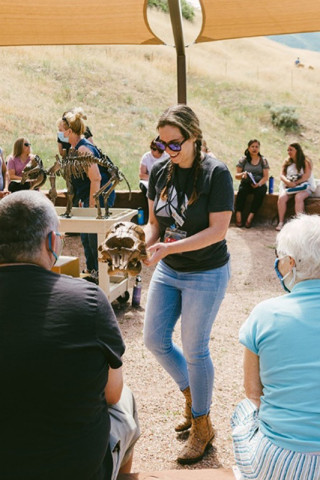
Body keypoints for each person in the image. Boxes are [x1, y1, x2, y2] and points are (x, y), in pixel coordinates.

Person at [0, 190, 140, 480]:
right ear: (53, 242)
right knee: (127, 401)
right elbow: (112, 394)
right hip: (77, 470)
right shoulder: (88, 298)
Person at [143, 105, 234, 465]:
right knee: (153, 340)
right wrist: (144, 242)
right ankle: (193, 400)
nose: (168, 151)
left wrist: (168, 248)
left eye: (175, 143)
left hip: (206, 271)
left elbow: (218, 231)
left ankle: (202, 425)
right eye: (161, 143)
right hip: (169, 267)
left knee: (195, 350)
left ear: (194, 137)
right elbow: (154, 222)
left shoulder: (217, 173)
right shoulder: (161, 171)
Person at [231, 214, 320, 480]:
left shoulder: (265, 314)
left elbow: (253, 392)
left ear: (291, 263)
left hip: (280, 462)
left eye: (280, 257)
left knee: (243, 412)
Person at [60, 108, 115, 278]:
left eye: (62, 130)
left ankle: (100, 274)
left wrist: (92, 205)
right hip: (87, 196)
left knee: (94, 239)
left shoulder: (84, 149)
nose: (61, 134)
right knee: (86, 236)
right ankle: (93, 271)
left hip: (98, 196)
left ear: (70, 131)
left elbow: (96, 178)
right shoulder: (76, 148)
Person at [276, 143, 315, 231]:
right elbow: (282, 175)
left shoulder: (305, 161)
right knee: (282, 198)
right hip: (290, 186)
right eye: (288, 150)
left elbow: (306, 176)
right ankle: (281, 222)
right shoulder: (287, 161)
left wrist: (296, 183)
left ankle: (300, 223)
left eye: (291, 150)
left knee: (298, 197)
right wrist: (288, 182)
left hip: (304, 186)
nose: (289, 152)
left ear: (297, 150)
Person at [234, 139, 269, 228]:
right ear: (248, 148)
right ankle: (238, 216)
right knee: (242, 191)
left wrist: (259, 184)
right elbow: (236, 175)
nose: (254, 149)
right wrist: (242, 175)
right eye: (252, 146)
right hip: (246, 182)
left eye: (256, 147)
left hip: (258, 183)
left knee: (261, 191)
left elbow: (265, 177)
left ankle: (251, 217)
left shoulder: (263, 160)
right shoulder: (243, 160)